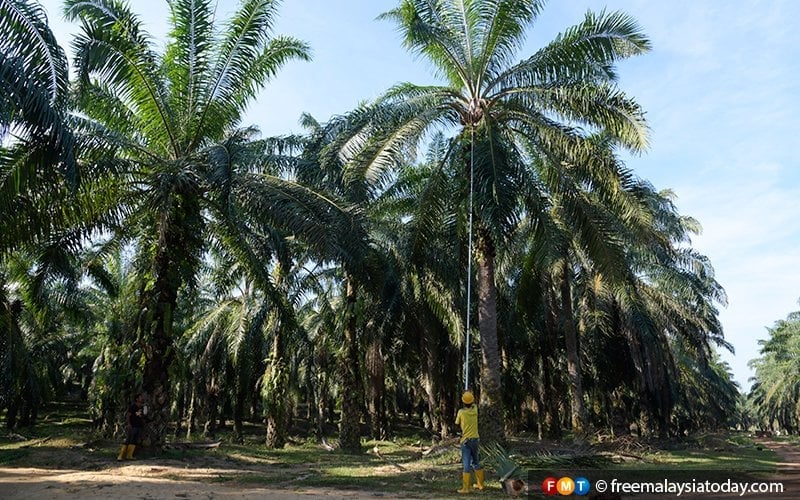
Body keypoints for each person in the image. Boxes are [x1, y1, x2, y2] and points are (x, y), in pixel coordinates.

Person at [455, 390, 484, 493]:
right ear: (472, 402)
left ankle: (466, 488)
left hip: (466, 441)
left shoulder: (461, 412)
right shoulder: (475, 410)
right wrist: (468, 394)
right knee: (476, 461)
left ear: (463, 402)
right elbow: (473, 404)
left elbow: (457, 422)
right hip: (475, 439)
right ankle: (480, 485)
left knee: (466, 463)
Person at [117, 393, 146, 461]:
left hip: (139, 426)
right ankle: (121, 455)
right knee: (128, 440)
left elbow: (143, 416)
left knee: (134, 441)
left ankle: (129, 455)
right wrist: (129, 424)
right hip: (133, 425)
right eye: (140, 397)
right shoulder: (133, 406)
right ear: (137, 399)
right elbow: (128, 415)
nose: (142, 398)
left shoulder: (142, 407)